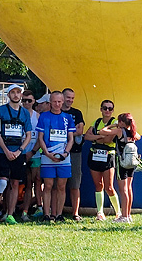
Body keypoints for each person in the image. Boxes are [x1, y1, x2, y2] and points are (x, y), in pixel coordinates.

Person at [0, 85, 32, 225]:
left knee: (15, 182)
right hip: (3, 152)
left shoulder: (25, 113)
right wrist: (6, 150)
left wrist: (20, 150)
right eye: (13, 92)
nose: (15, 95)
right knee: (2, 182)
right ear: (8, 95)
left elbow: (28, 135)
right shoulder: (0, 111)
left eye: (18, 92)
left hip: (18, 153)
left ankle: (10, 214)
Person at [36, 90, 75, 223]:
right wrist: (46, 153)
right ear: (50, 102)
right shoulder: (44, 116)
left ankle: (58, 214)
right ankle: (46, 214)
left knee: (61, 186)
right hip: (48, 155)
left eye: (59, 101)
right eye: (54, 101)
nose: (57, 104)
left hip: (63, 156)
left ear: (62, 102)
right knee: (47, 185)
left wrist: (65, 153)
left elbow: (71, 139)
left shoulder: (68, 118)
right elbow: (40, 137)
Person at [84, 99, 121, 221]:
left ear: (113, 110)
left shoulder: (115, 122)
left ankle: (118, 212)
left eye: (110, 108)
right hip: (95, 154)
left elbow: (109, 139)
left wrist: (97, 138)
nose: (107, 111)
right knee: (98, 185)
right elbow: (87, 136)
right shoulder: (96, 122)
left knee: (109, 186)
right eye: (105, 108)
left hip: (108, 156)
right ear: (101, 109)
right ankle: (100, 213)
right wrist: (100, 136)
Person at [61, 88, 87, 220]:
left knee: (75, 184)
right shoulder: (56, 113)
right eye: (68, 97)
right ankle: (57, 212)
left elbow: (80, 130)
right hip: (57, 151)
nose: (70, 100)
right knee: (58, 184)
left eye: (72, 98)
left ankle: (75, 213)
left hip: (75, 152)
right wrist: (71, 132)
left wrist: (61, 133)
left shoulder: (77, 113)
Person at [21, 89, 44, 220]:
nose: (27, 103)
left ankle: (39, 207)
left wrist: (33, 152)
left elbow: (41, 137)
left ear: (34, 101)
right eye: (24, 100)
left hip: (34, 154)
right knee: (26, 183)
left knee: (37, 181)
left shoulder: (38, 116)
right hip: (20, 153)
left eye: (29, 100)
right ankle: (24, 211)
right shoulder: (18, 114)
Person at [114, 112, 140, 223]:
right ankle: (128, 214)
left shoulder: (120, 131)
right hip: (131, 163)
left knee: (122, 189)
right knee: (129, 188)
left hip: (122, 162)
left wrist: (113, 126)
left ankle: (124, 216)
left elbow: (102, 131)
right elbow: (139, 136)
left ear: (121, 122)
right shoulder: (133, 132)